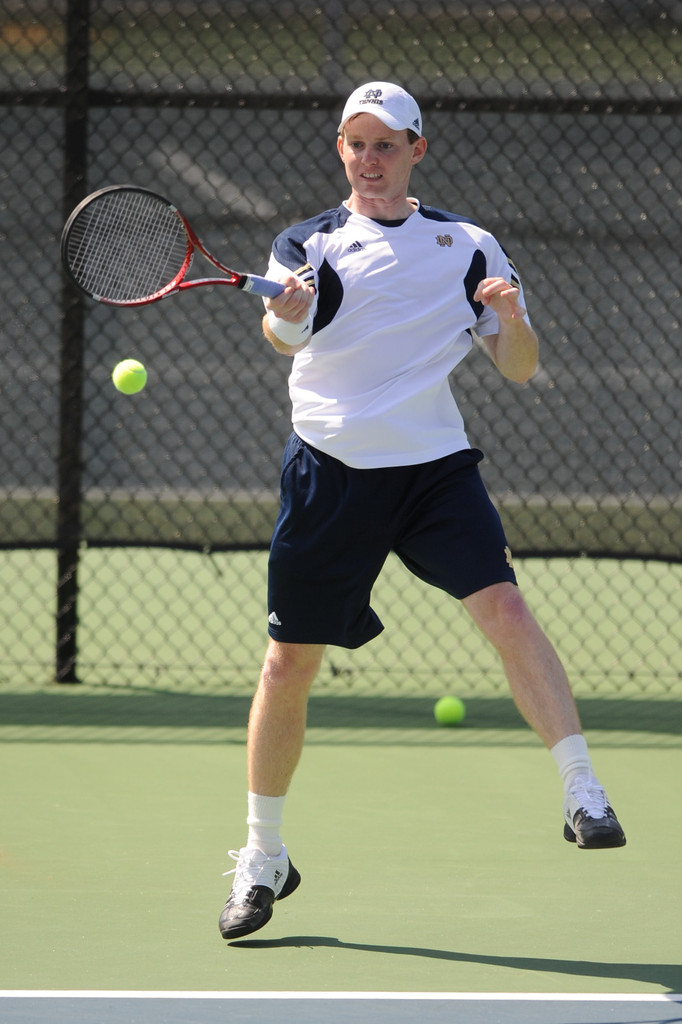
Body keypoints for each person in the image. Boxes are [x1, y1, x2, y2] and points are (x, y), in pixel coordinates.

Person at [218, 82, 626, 941]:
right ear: (340, 150)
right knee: (287, 668)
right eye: (355, 145)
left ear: (416, 151)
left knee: (507, 608)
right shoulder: (309, 241)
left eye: (386, 146)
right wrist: (286, 316)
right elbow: (285, 333)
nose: (370, 161)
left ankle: (583, 790)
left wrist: (512, 318)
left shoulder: (467, 244)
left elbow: (516, 367)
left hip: (434, 468)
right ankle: (264, 857)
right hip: (330, 471)